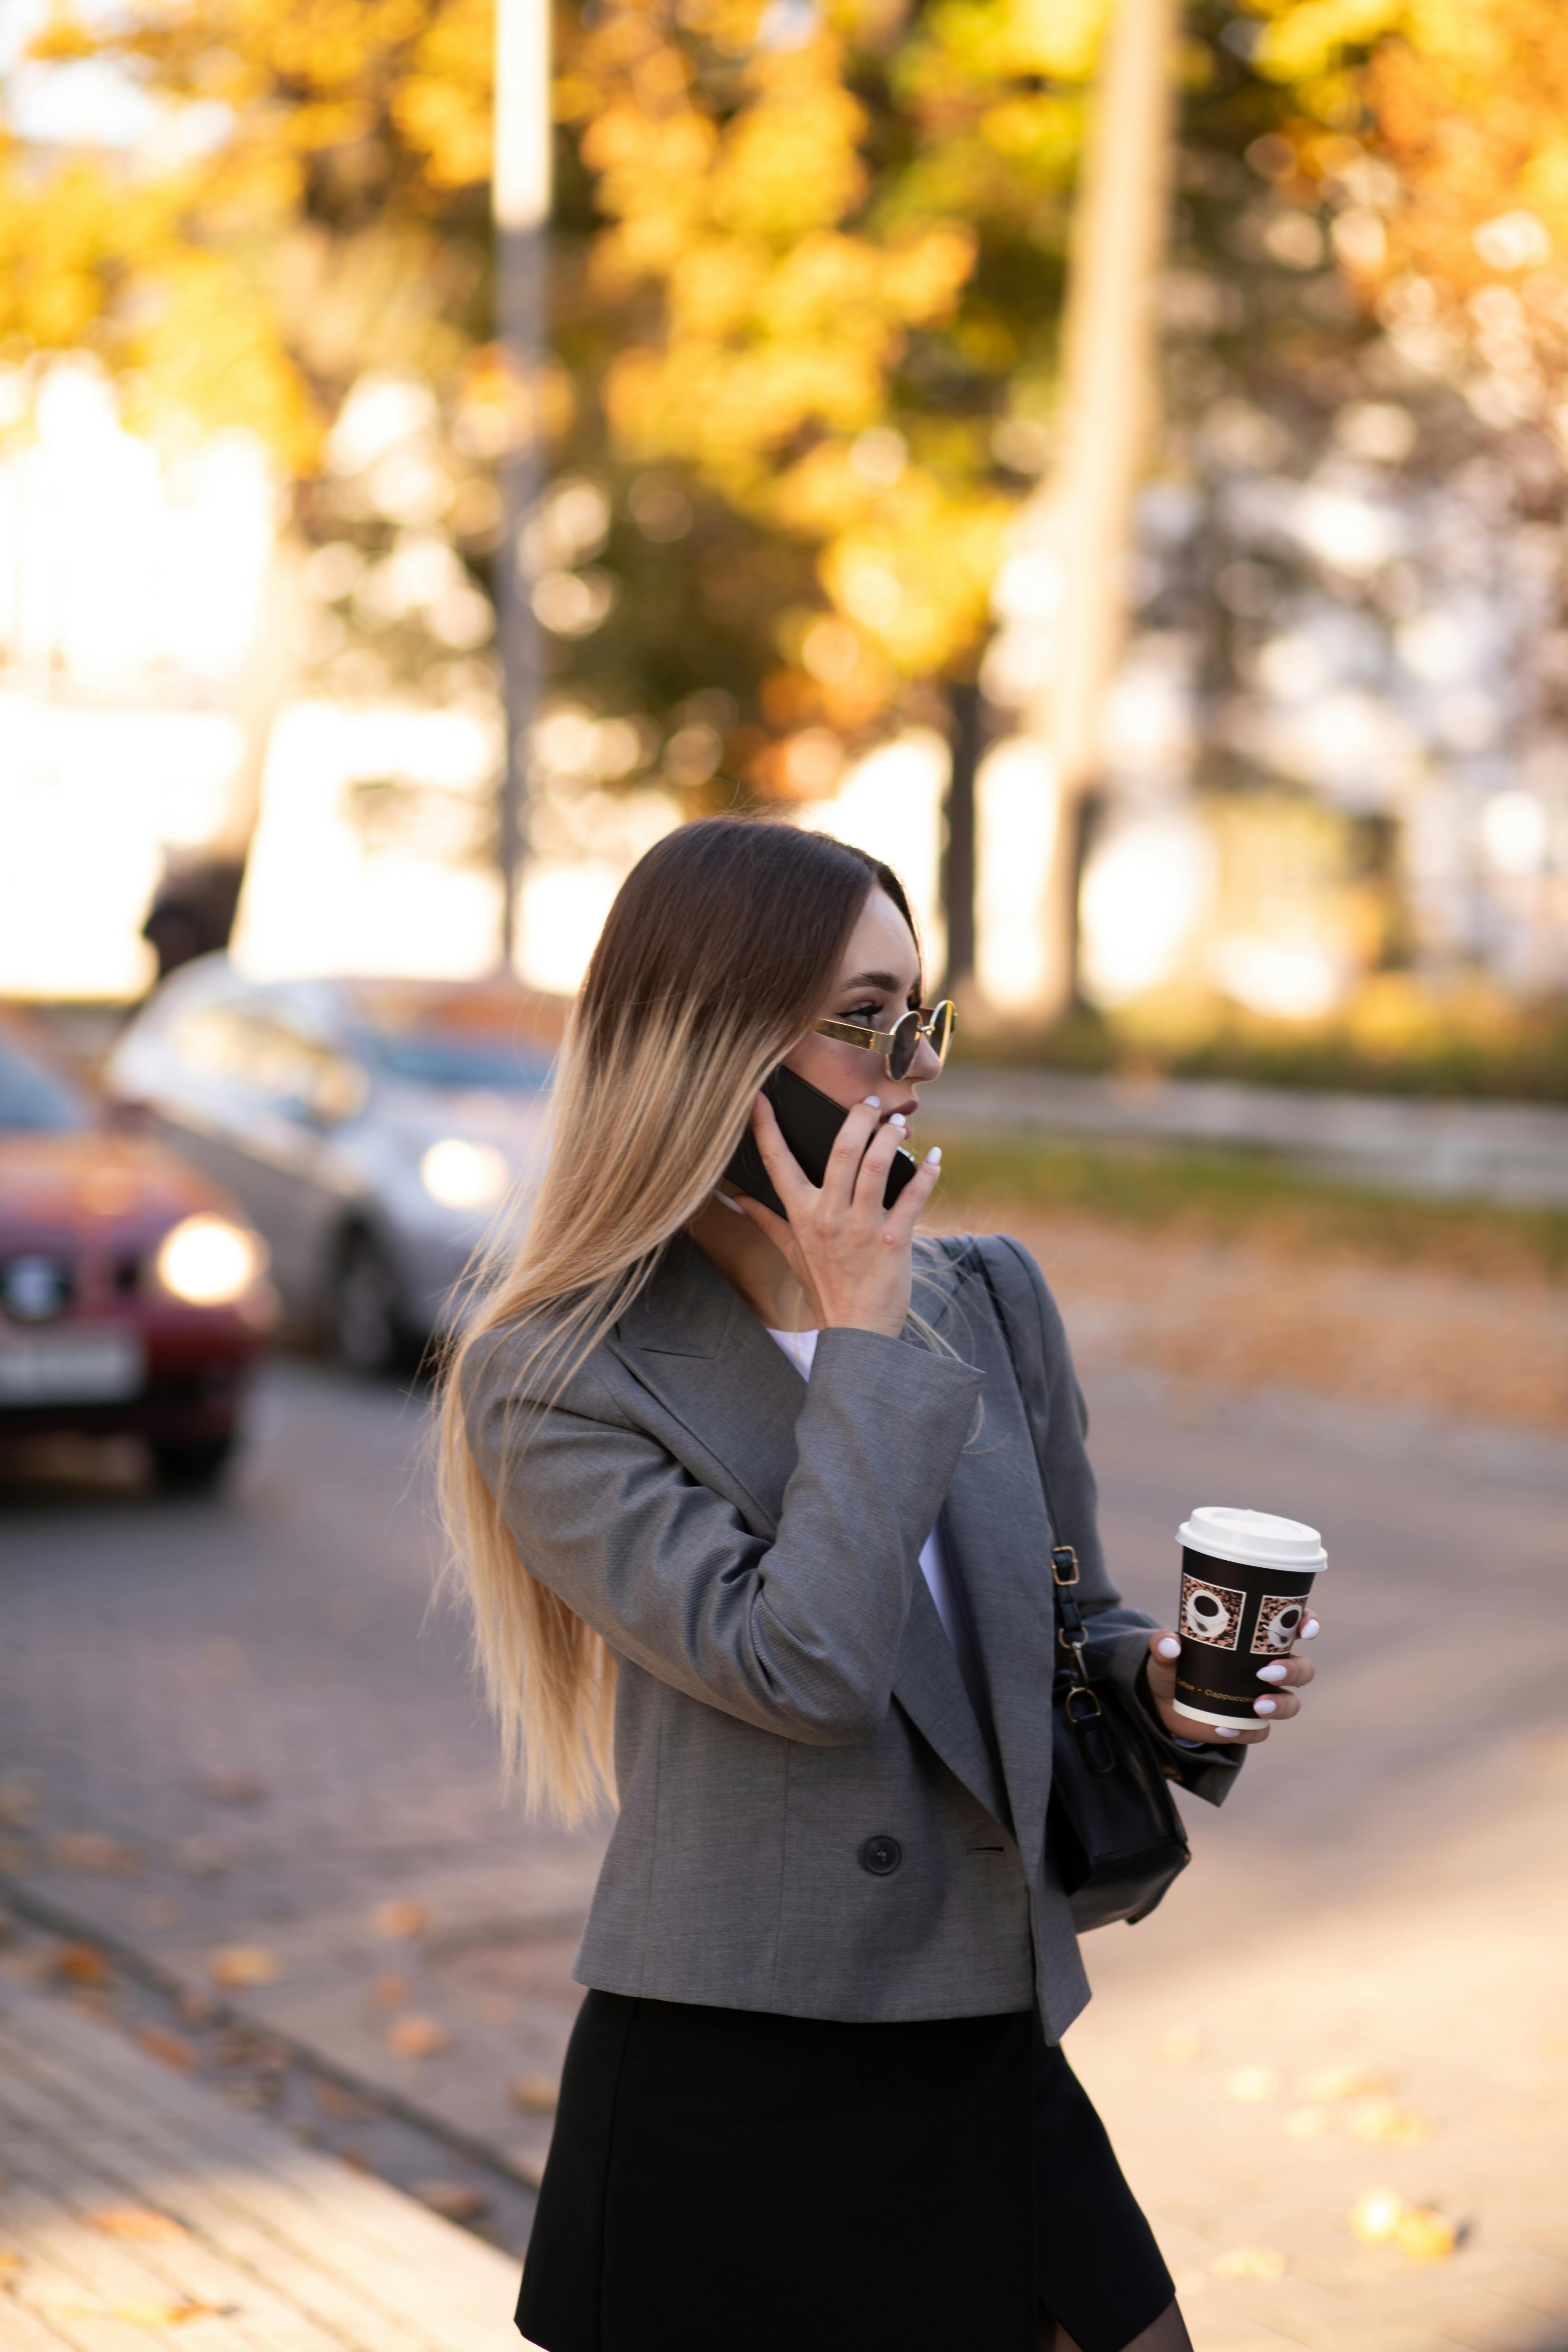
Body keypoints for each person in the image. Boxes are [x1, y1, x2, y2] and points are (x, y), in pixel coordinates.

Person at [438, 817, 1319, 2352]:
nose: (906, 1065)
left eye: (920, 1015)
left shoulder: (985, 1299)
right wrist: (853, 1334)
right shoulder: (558, 1377)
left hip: (984, 2033)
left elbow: (1071, 1618)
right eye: (859, 1021)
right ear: (705, 1043)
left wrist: (1159, 1683)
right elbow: (806, 1670)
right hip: (740, 2092)